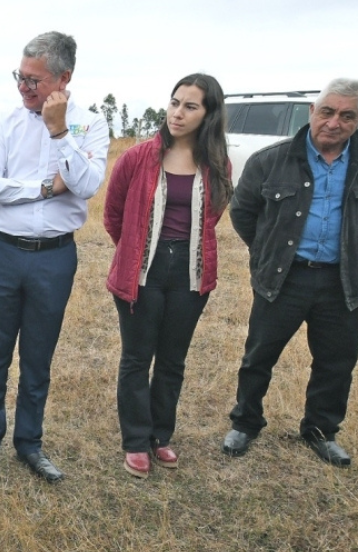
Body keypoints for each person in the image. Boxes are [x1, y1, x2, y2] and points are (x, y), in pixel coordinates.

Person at [223, 78, 358, 467]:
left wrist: (349, 245)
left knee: (337, 361)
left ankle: (321, 430)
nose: (334, 122)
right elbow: (243, 212)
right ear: (312, 113)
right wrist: (269, 252)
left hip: (342, 280)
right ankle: (245, 423)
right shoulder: (270, 159)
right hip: (285, 278)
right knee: (259, 355)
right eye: (328, 112)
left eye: (347, 116)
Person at [0, 31, 110, 483]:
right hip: (2, 253)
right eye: (20, 77)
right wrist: (45, 189)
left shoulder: (91, 125)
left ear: (64, 78)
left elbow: (87, 185)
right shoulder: (5, 121)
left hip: (54, 258)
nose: (24, 88)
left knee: (37, 358)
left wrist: (58, 131)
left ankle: (29, 444)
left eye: (34, 81)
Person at [103, 74, 233, 479]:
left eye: (190, 106)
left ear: (208, 113)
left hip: (190, 274)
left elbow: (212, 216)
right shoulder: (138, 157)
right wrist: (133, 252)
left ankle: (161, 436)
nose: (177, 112)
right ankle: (137, 441)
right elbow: (113, 215)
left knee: (173, 360)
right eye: (175, 102)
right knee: (137, 358)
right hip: (143, 270)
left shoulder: (217, 163)